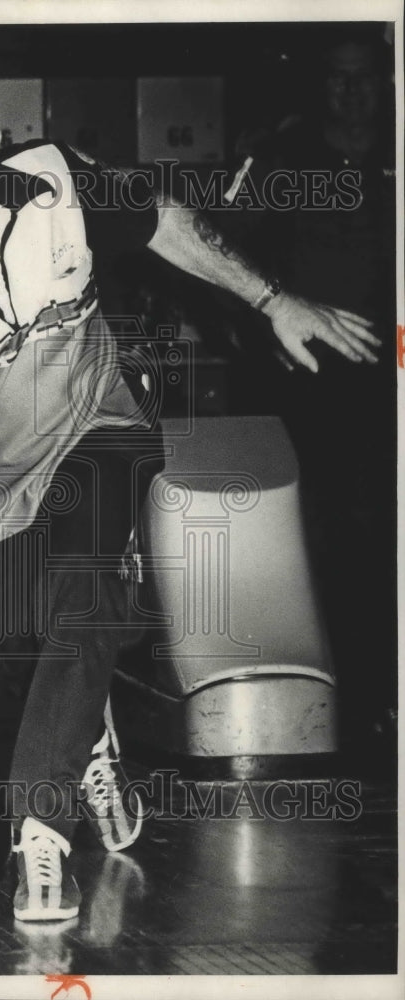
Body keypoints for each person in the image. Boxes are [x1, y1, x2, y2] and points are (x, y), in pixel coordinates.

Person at [0, 72, 379, 922]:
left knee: (88, 592)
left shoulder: (53, 183)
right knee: (48, 632)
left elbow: (159, 214)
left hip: (102, 430)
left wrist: (271, 299)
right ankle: (91, 737)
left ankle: (39, 838)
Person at [222, 28, 397, 761]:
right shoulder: (281, 158)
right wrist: (262, 332)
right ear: (318, 86)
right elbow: (224, 255)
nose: (353, 95)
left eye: (366, 79)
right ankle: (348, 707)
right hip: (310, 388)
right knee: (326, 543)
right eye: (338, 80)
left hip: (388, 387)